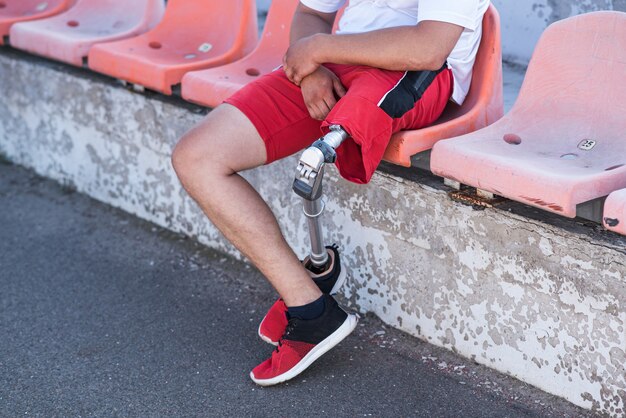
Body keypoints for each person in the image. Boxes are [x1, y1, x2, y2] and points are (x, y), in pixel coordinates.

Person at [172, 0, 489, 386]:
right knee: (196, 157)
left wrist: (319, 49)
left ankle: (311, 306)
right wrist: (311, 71)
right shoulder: (322, 53)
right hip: (335, 61)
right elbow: (311, 14)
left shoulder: (383, 53)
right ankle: (309, 302)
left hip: (415, 71)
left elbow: (429, 47)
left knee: (331, 147)